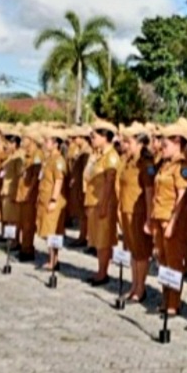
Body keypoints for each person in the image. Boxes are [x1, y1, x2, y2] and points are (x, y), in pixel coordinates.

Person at [149, 124, 187, 315]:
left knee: (174, 262)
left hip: (171, 220)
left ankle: (174, 302)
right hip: (160, 217)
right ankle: (165, 297)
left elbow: (182, 199)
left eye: (165, 144)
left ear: (178, 143)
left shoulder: (182, 167)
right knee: (163, 260)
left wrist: (173, 223)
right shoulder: (165, 164)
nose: (161, 147)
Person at [118, 123, 155, 303]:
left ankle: (141, 288)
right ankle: (134, 285)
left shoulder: (146, 165)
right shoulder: (128, 162)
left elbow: (149, 192)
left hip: (139, 213)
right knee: (133, 251)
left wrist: (149, 218)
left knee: (141, 253)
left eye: (128, 142)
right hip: (127, 211)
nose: (125, 145)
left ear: (139, 143)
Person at [85, 121, 121, 285]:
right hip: (95, 201)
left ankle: (103, 273)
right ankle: (100, 270)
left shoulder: (111, 157)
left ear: (105, 137)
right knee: (97, 239)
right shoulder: (98, 156)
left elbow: (109, 184)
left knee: (103, 239)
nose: (91, 139)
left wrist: (105, 204)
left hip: (103, 202)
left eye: (94, 136)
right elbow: (87, 176)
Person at [37, 129, 67, 271]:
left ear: (56, 144)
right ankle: (52, 258)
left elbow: (59, 180)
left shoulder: (58, 160)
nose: (45, 144)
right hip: (44, 197)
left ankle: (53, 261)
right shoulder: (48, 158)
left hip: (52, 199)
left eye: (47, 141)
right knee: (48, 229)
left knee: (52, 230)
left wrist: (54, 200)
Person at [15, 130, 43, 261]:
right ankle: (22, 245)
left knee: (28, 223)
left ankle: (27, 249)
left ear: (31, 140)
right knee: (22, 221)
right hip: (22, 191)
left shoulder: (37, 155)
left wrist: (30, 192)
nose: (22, 141)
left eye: (24, 138)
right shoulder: (26, 154)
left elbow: (35, 177)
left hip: (29, 194)